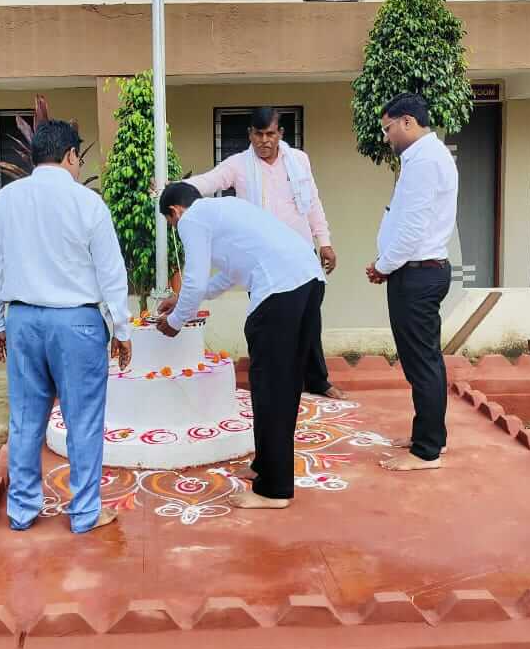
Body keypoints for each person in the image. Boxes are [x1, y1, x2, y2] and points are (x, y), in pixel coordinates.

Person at [0, 119, 132, 533]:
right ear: (69, 155)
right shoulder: (88, 203)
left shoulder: (2, 202)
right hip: (78, 323)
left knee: (26, 419)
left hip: (23, 321)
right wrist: (121, 329)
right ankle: (84, 513)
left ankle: (22, 511)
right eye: (78, 158)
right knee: (83, 421)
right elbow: (111, 272)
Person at [156, 182, 325, 510]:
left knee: (270, 388)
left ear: (175, 211)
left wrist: (175, 322)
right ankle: (266, 466)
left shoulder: (192, 219)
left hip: (279, 291)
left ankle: (274, 490)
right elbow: (228, 276)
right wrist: (182, 300)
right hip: (307, 281)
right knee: (283, 385)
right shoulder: (227, 210)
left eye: (171, 223)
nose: (176, 229)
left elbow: (194, 281)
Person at [186, 106, 343, 400]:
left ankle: (317, 381)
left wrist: (324, 241)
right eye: (258, 134)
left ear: (280, 133)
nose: (264, 141)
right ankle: (280, 383)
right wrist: (176, 188)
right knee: (272, 326)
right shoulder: (238, 165)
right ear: (250, 134)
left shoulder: (298, 160)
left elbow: (312, 202)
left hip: (301, 256)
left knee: (309, 322)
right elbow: (210, 181)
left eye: (270, 134)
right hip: (264, 264)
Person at [365, 93, 458, 472]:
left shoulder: (425, 162)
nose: (386, 136)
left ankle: (426, 451)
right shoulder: (423, 157)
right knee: (423, 360)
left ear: (407, 121)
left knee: (422, 363)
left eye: (388, 128)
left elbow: (412, 229)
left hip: (417, 273)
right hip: (417, 270)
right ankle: (429, 436)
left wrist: (383, 266)